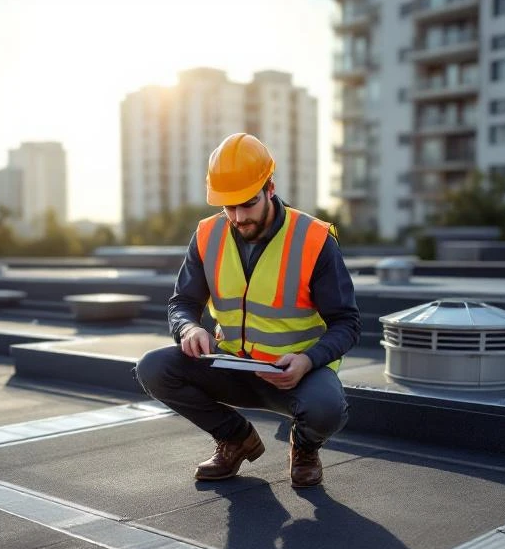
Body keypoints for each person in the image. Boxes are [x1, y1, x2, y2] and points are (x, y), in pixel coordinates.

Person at [135, 133, 361, 487]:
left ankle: (304, 447)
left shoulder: (314, 240)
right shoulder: (207, 235)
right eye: (229, 207)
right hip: (231, 364)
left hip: (296, 374)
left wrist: (307, 360)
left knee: (327, 409)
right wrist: (188, 329)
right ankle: (235, 438)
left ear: (270, 188)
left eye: (248, 203)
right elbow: (182, 303)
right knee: (153, 367)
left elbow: (347, 323)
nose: (239, 217)